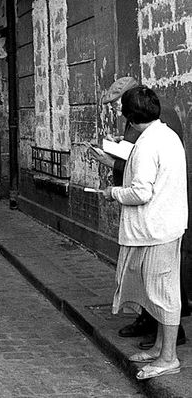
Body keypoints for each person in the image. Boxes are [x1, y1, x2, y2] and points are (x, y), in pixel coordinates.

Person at [90, 76, 189, 347]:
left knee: (161, 290)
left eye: (119, 107)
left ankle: (168, 350)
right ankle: (159, 344)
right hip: (164, 220)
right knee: (157, 287)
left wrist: (113, 189)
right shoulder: (160, 130)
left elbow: (142, 188)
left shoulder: (150, 139)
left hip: (157, 223)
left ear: (133, 112)